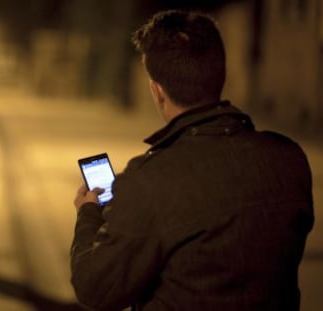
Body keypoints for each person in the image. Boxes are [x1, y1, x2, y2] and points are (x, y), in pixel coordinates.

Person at [70, 10, 314, 311]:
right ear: (220, 75)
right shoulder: (290, 159)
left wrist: (89, 214)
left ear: (156, 91)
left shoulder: (148, 181)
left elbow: (96, 288)